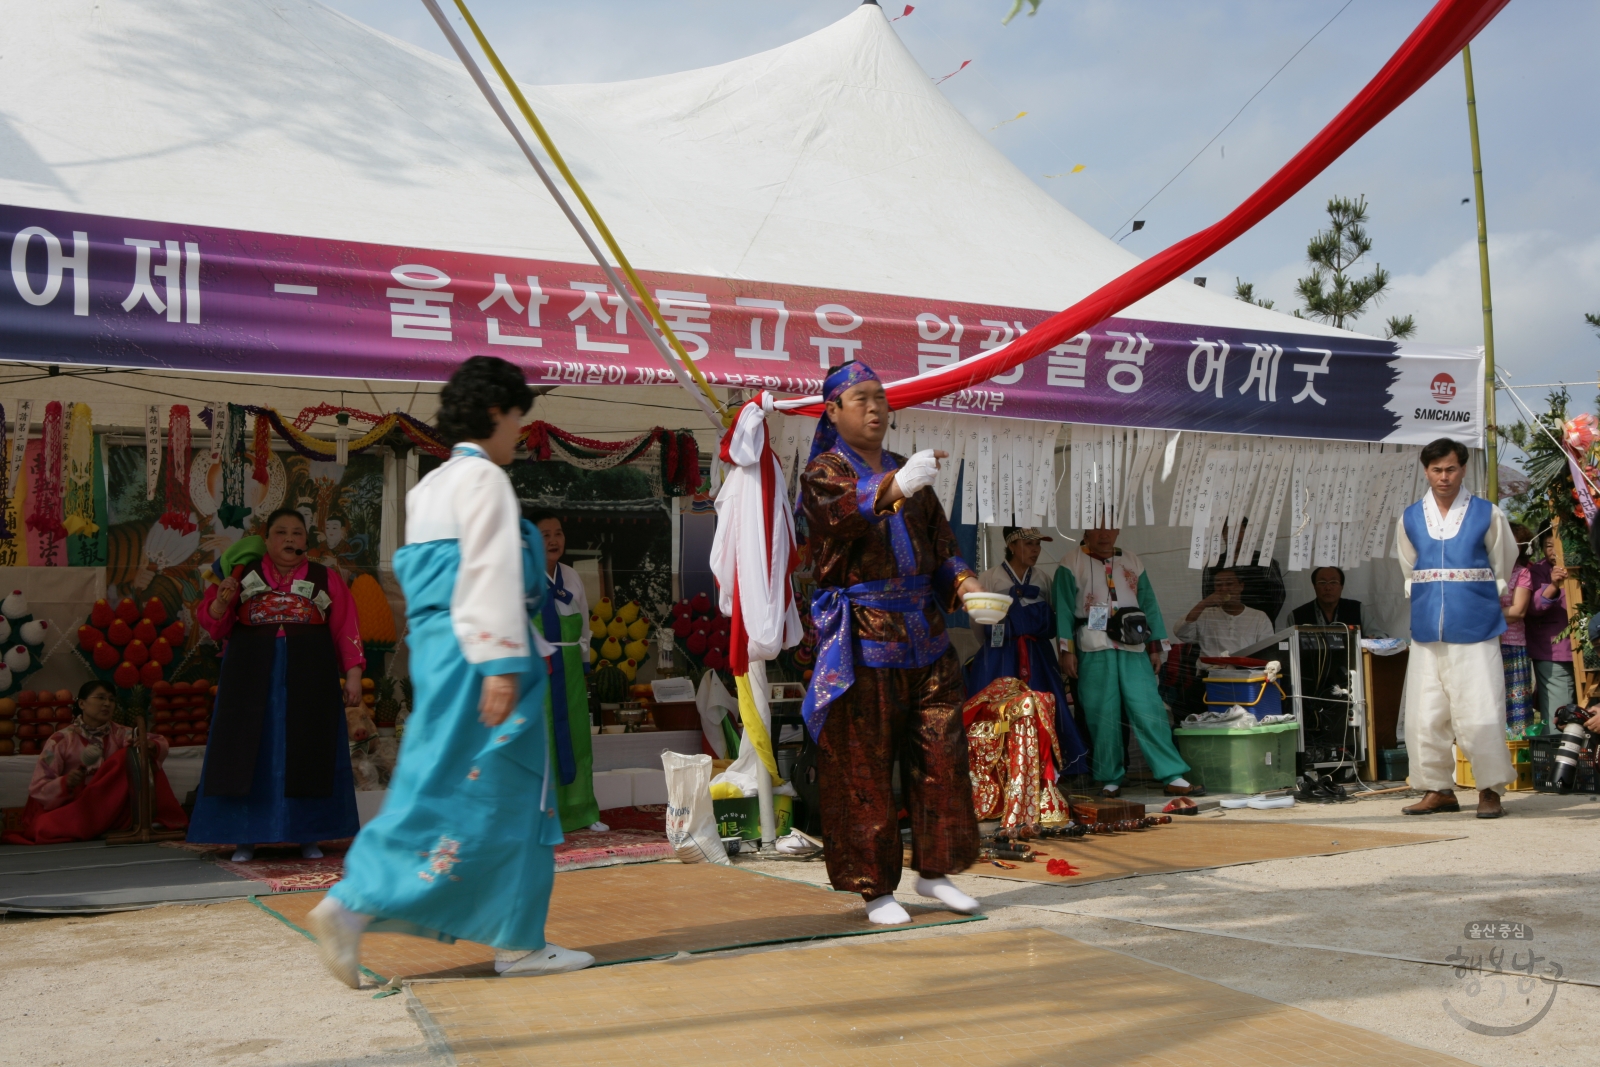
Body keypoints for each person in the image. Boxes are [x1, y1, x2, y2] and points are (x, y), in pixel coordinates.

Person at [308, 355, 592, 984]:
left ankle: (354, 902)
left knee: (431, 785)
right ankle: (517, 942)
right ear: (496, 413)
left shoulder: (429, 486)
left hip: (440, 653)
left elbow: (428, 577)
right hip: (486, 653)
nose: (520, 431)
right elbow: (488, 567)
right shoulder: (484, 482)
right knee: (514, 795)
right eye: (518, 417)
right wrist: (496, 663)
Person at [799, 360, 985, 926]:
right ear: (833, 410)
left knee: (943, 755)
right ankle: (874, 888)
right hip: (863, 638)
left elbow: (943, 547)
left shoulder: (912, 472)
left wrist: (968, 586)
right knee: (864, 766)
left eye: (881, 397)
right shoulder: (823, 472)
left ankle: (935, 872)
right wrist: (894, 488)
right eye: (861, 398)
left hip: (925, 635)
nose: (876, 407)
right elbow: (839, 515)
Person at [190, 509, 365, 861]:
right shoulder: (241, 575)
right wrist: (223, 599)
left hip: (311, 674)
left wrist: (354, 676)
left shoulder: (326, 577)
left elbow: (346, 628)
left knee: (310, 749)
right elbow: (213, 626)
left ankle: (309, 835)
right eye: (281, 533)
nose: (289, 539)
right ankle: (244, 837)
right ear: (266, 540)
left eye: (297, 533)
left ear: (306, 541)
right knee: (246, 752)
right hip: (250, 675)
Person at [1396, 438, 1517, 819]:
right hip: (1427, 628)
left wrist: (1483, 595)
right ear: (1426, 471)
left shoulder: (1487, 513)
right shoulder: (1411, 517)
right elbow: (1409, 568)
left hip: (1476, 626)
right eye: (1436, 470)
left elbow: (1503, 563)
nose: (1443, 477)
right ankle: (1438, 788)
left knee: (1481, 709)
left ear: (1463, 469)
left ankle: (1489, 790)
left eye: (1450, 469)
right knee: (1424, 712)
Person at [1053, 526, 1199, 798]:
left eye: (1109, 528)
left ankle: (1172, 774)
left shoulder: (1132, 559)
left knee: (1149, 708)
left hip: (1133, 644)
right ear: (1086, 531)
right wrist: (1066, 650)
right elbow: (1062, 607)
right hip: (1093, 644)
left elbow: (1148, 603)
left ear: (1117, 530)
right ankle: (1110, 776)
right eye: (1096, 529)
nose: (1103, 534)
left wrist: (1155, 648)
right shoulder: (1070, 562)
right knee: (1102, 713)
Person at [964, 526, 1087, 775]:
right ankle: (999, 767)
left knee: (1043, 703)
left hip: (1038, 653)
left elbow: (1057, 616)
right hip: (1000, 654)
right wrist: (991, 649)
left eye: (1038, 545)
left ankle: (1047, 766)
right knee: (999, 707)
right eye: (1028, 544)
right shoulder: (988, 578)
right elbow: (977, 623)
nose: (1035, 550)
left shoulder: (1043, 579)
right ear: (1011, 545)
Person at [2, 680, 187, 845]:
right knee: (43, 827)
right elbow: (38, 788)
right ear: (82, 703)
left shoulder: (121, 733)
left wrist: (150, 745)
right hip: (79, 806)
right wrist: (66, 783)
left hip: (112, 808)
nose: (107, 703)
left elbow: (158, 740)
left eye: (112, 700)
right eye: (100, 698)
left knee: (138, 753)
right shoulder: (60, 740)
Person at [529, 511, 604, 833]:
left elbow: (584, 623)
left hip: (570, 666)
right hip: (537, 669)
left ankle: (582, 811)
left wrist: (584, 661)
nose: (553, 540)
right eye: (544, 534)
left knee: (576, 738)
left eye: (557, 533)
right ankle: (539, 816)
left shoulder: (571, 576)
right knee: (541, 739)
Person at [1526, 529, 1575, 726]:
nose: (1555, 550)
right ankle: (1556, 754)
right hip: (1553, 653)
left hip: (1588, 651)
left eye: (1560, 543)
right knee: (1559, 715)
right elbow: (1534, 607)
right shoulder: (1538, 571)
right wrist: (1554, 585)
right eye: (1549, 545)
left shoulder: (1586, 564)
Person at [1175, 567, 1275, 658]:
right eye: (1218, 585)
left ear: (1241, 586)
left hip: (1245, 674)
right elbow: (1182, 634)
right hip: (1210, 673)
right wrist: (1203, 604)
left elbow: (1266, 650)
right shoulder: (1205, 614)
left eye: (1229, 584)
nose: (1223, 589)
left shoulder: (1258, 617)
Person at [1201, 518, 1286, 624]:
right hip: (1222, 625)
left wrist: (1264, 620)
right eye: (1229, 531)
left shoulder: (1263, 560)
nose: (1235, 536)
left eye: (1240, 531)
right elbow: (1207, 598)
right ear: (1223, 535)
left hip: (1258, 625)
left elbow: (1278, 595)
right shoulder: (1213, 564)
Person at [1500, 524, 1535, 736]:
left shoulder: (1522, 573)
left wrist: (1485, 613)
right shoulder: (1486, 571)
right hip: (1485, 644)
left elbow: (1518, 611)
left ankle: (1517, 750)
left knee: (1515, 705)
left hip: (1512, 645)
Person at [1289, 566, 1387, 636]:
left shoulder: (1357, 609)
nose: (1328, 587)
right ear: (1314, 586)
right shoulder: (1297, 616)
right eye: (1322, 583)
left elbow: (1379, 636)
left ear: (1342, 587)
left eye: (1333, 582)